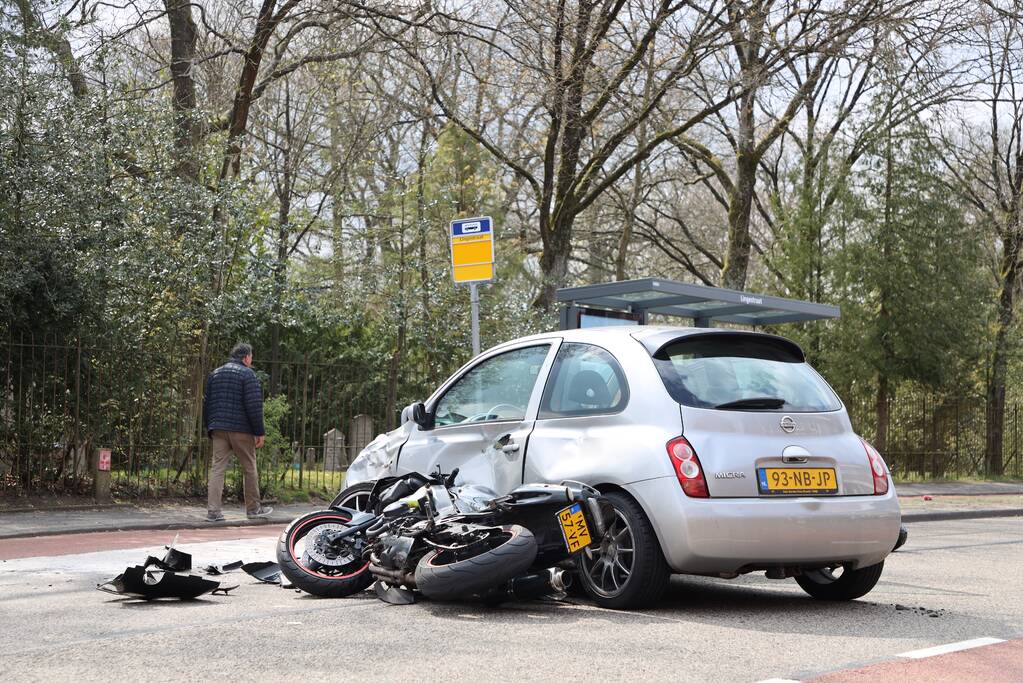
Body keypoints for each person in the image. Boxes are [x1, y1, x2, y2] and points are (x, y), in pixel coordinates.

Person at [203, 342, 273, 521]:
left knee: (217, 468)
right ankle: (253, 510)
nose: (251, 360)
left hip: (218, 428)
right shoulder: (248, 374)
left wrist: (209, 426)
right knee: (249, 467)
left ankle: (214, 512)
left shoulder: (215, 373)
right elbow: (253, 406)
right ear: (246, 357)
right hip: (242, 430)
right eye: (251, 357)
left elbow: (207, 403)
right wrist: (259, 432)